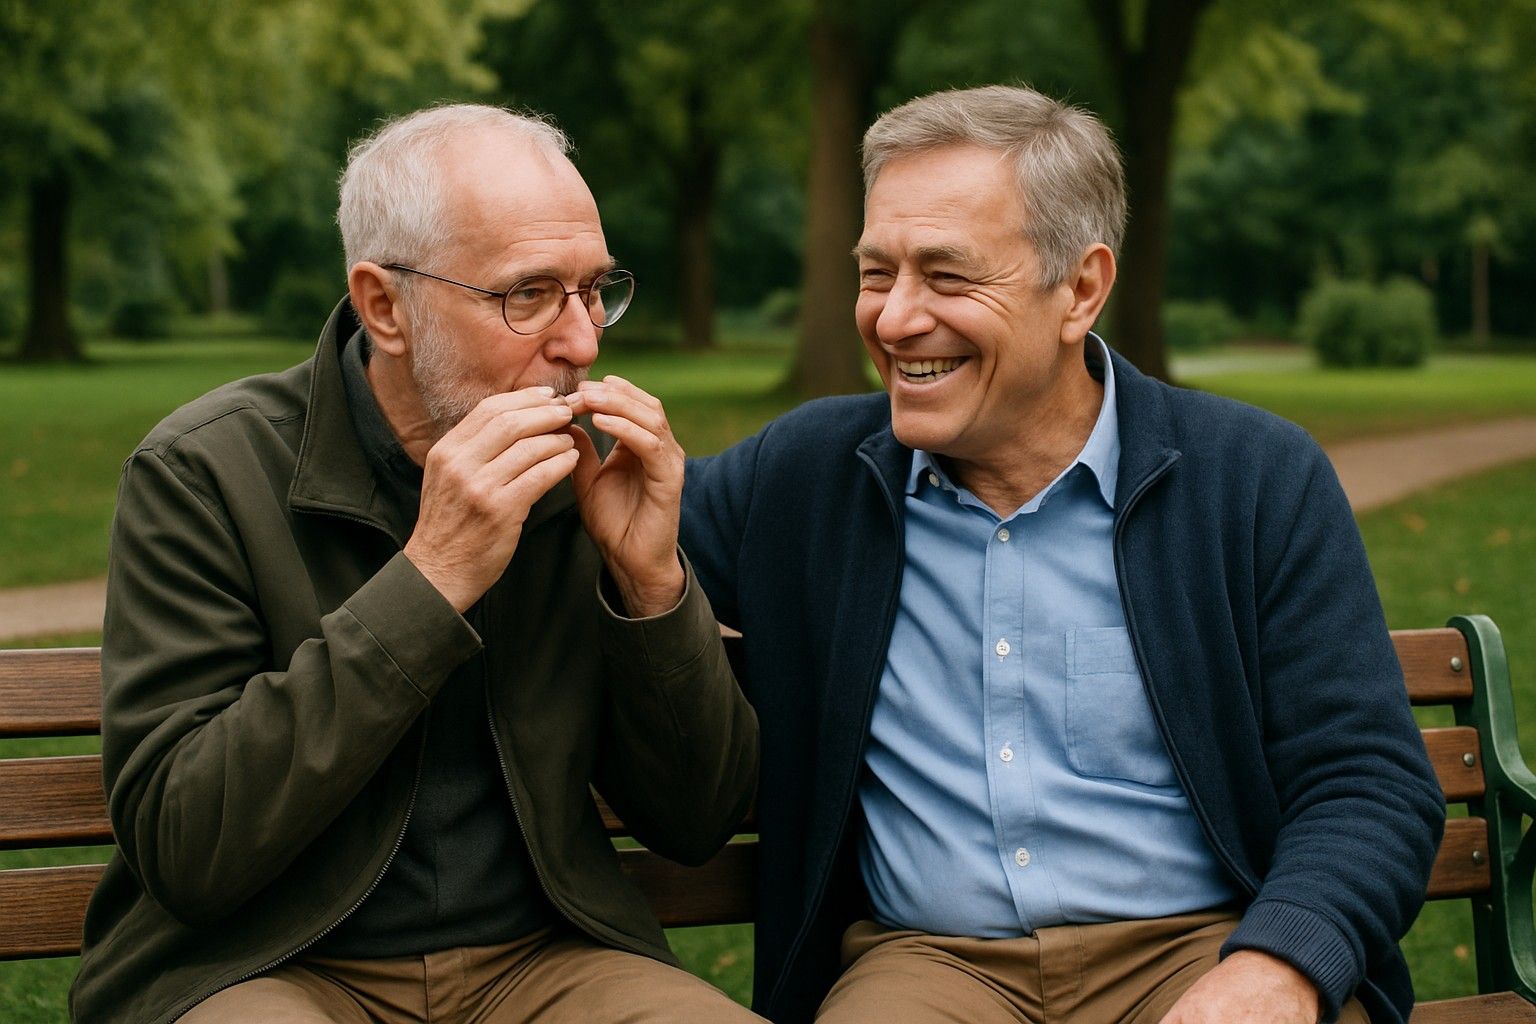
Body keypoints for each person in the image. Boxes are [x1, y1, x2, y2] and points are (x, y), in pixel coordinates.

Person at [680, 85, 1444, 1024]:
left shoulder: (1254, 477)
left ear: (1080, 289)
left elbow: (1367, 782)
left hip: (1198, 947)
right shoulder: (806, 477)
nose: (893, 319)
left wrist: (1277, 969)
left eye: (948, 277)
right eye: (878, 273)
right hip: (930, 968)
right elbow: (601, 509)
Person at [70, 104, 761, 1024]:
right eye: (528, 294)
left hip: (543, 963)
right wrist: (431, 579)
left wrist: (650, 585)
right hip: (265, 969)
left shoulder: (577, 484)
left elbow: (696, 820)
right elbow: (189, 849)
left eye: (595, 288)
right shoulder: (205, 473)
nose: (583, 342)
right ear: (384, 306)